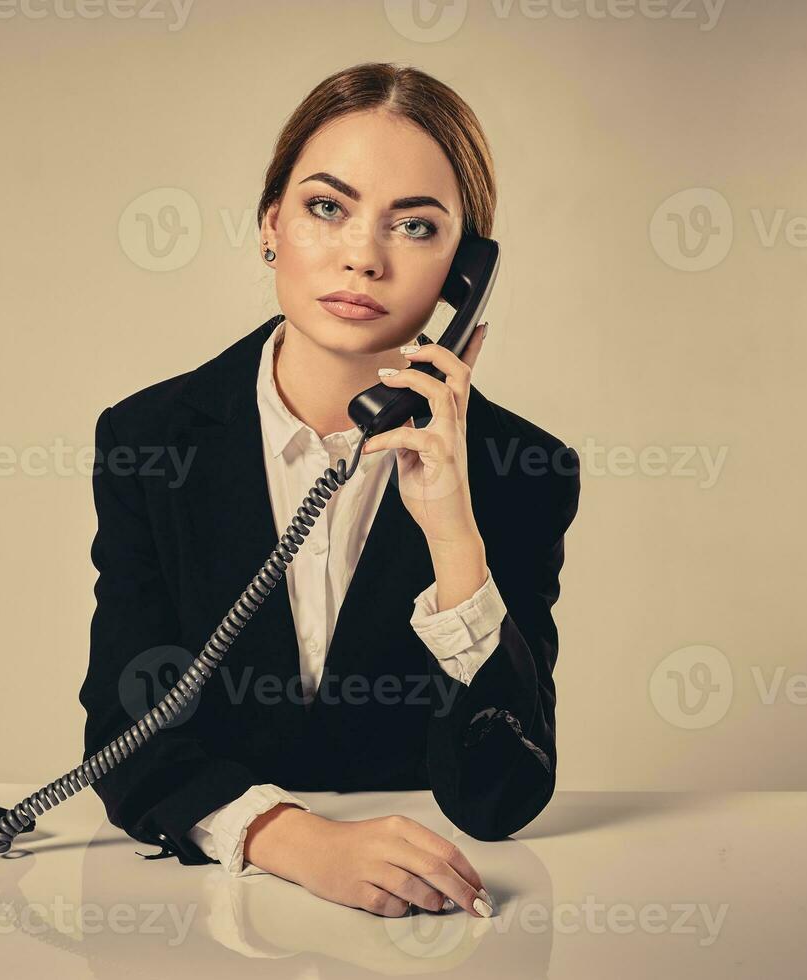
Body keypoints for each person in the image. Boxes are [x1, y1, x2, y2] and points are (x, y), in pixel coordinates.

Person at [79, 62, 581, 919]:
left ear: (468, 272)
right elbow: (125, 736)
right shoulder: (149, 439)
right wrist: (300, 842)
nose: (363, 256)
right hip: (205, 925)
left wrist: (453, 535)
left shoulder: (519, 468)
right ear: (270, 224)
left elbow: (502, 797)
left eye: (416, 226)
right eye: (326, 208)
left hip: (430, 926)